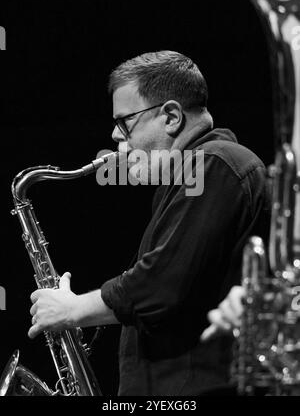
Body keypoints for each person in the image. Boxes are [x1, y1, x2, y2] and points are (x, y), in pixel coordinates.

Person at [28, 50, 270, 396]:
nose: (114, 135)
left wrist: (75, 309)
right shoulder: (191, 176)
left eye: (125, 121)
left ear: (171, 116)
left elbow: (161, 286)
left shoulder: (215, 164)